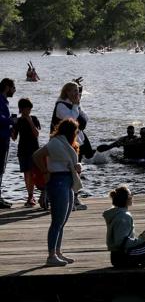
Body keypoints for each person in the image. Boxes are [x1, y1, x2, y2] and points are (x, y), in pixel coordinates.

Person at [32, 118, 83, 266]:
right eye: (75, 130)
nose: (77, 133)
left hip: (68, 180)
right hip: (58, 180)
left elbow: (69, 162)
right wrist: (45, 171)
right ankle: (51, 255)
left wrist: (77, 166)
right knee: (57, 221)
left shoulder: (68, 144)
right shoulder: (55, 143)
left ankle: (58, 252)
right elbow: (36, 156)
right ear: (70, 131)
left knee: (63, 221)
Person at [50, 82, 90, 210]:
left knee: (77, 169)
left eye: (77, 91)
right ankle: (69, 200)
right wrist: (76, 105)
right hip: (64, 143)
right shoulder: (61, 106)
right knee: (68, 170)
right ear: (66, 92)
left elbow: (84, 117)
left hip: (76, 141)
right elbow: (71, 118)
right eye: (73, 91)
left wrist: (77, 105)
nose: (76, 93)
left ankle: (75, 198)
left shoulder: (73, 104)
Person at [11, 98, 41, 207]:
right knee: (27, 173)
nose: (28, 111)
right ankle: (30, 196)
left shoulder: (34, 118)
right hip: (23, 149)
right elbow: (14, 137)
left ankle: (39, 194)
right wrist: (11, 126)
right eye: (26, 109)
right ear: (21, 109)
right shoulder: (18, 121)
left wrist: (30, 121)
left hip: (34, 150)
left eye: (30, 109)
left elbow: (37, 134)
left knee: (35, 173)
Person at [0, 78, 16, 208]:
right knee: (0, 169)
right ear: (7, 87)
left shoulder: (4, 101)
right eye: (13, 87)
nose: (14, 90)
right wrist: (11, 121)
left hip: (4, 138)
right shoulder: (0, 100)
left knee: (1, 169)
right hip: (0, 139)